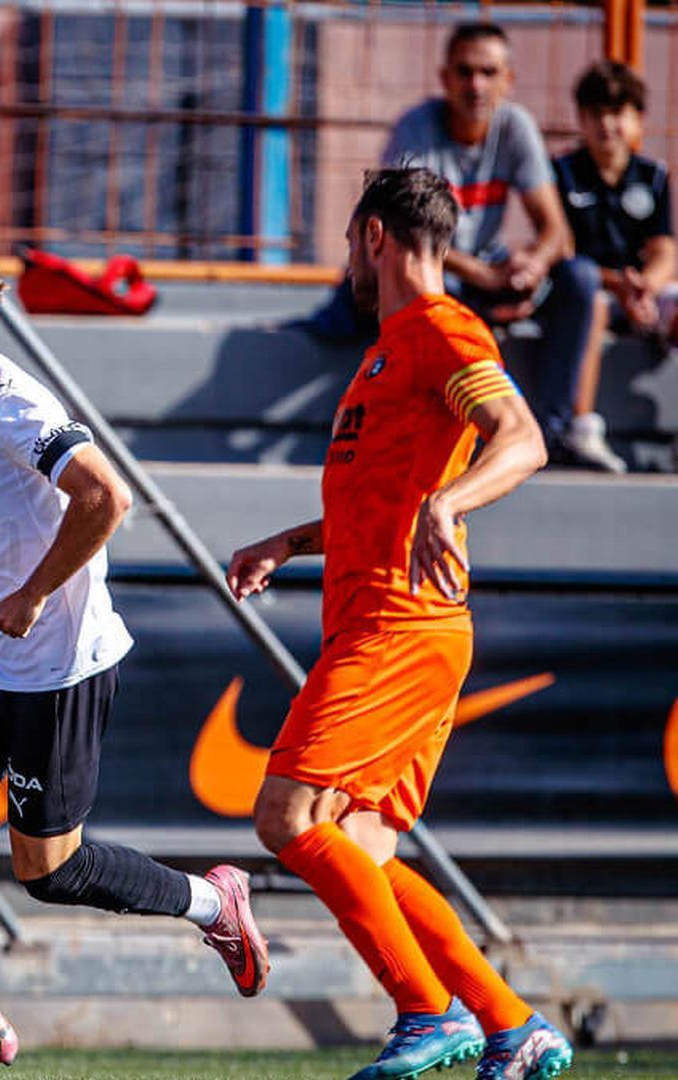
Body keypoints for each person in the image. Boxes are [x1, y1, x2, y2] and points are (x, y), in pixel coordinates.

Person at [0, 237, 268, 1077]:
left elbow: (106, 496)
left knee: (48, 872)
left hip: (61, 666)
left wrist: (36, 593)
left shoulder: (13, 404)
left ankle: (214, 902)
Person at [230, 167, 572, 1080]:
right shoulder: (388, 352)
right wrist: (291, 542)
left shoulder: (441, 329)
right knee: (365, 850)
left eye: (350, 242)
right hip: (383, 622)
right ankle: (510, 1022)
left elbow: (524, 438)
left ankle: (427, 1011)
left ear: (374, 237)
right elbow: (381, 500)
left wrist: (450, 503)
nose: (348, 259)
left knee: (286, 815)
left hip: (400, 626)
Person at [306, 22, 621, 473]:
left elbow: (557, 233)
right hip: (446, 274)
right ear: (444, 78)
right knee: (419, 286)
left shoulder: (515, 127)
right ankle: (426, 438)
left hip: (484, 275)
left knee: (582, 279)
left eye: (489, 73)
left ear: (508, 80)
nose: (477, 85)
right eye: (466, 72)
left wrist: (530, 265)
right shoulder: (416, 129)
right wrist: (488, 276)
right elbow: (405, 235)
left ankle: (554, 430)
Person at [555, 58, 677, 454]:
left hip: (640, 292)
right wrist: (620, 285)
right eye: (596, 114)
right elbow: (564, 251)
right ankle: (583, 426)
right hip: (594, 291)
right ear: (582, 119)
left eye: (617, 113)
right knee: (593, 301)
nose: (607, 124)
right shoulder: (563, 173)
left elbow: (663, 248)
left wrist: (646, 286)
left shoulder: (653, 176)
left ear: (638, 119)